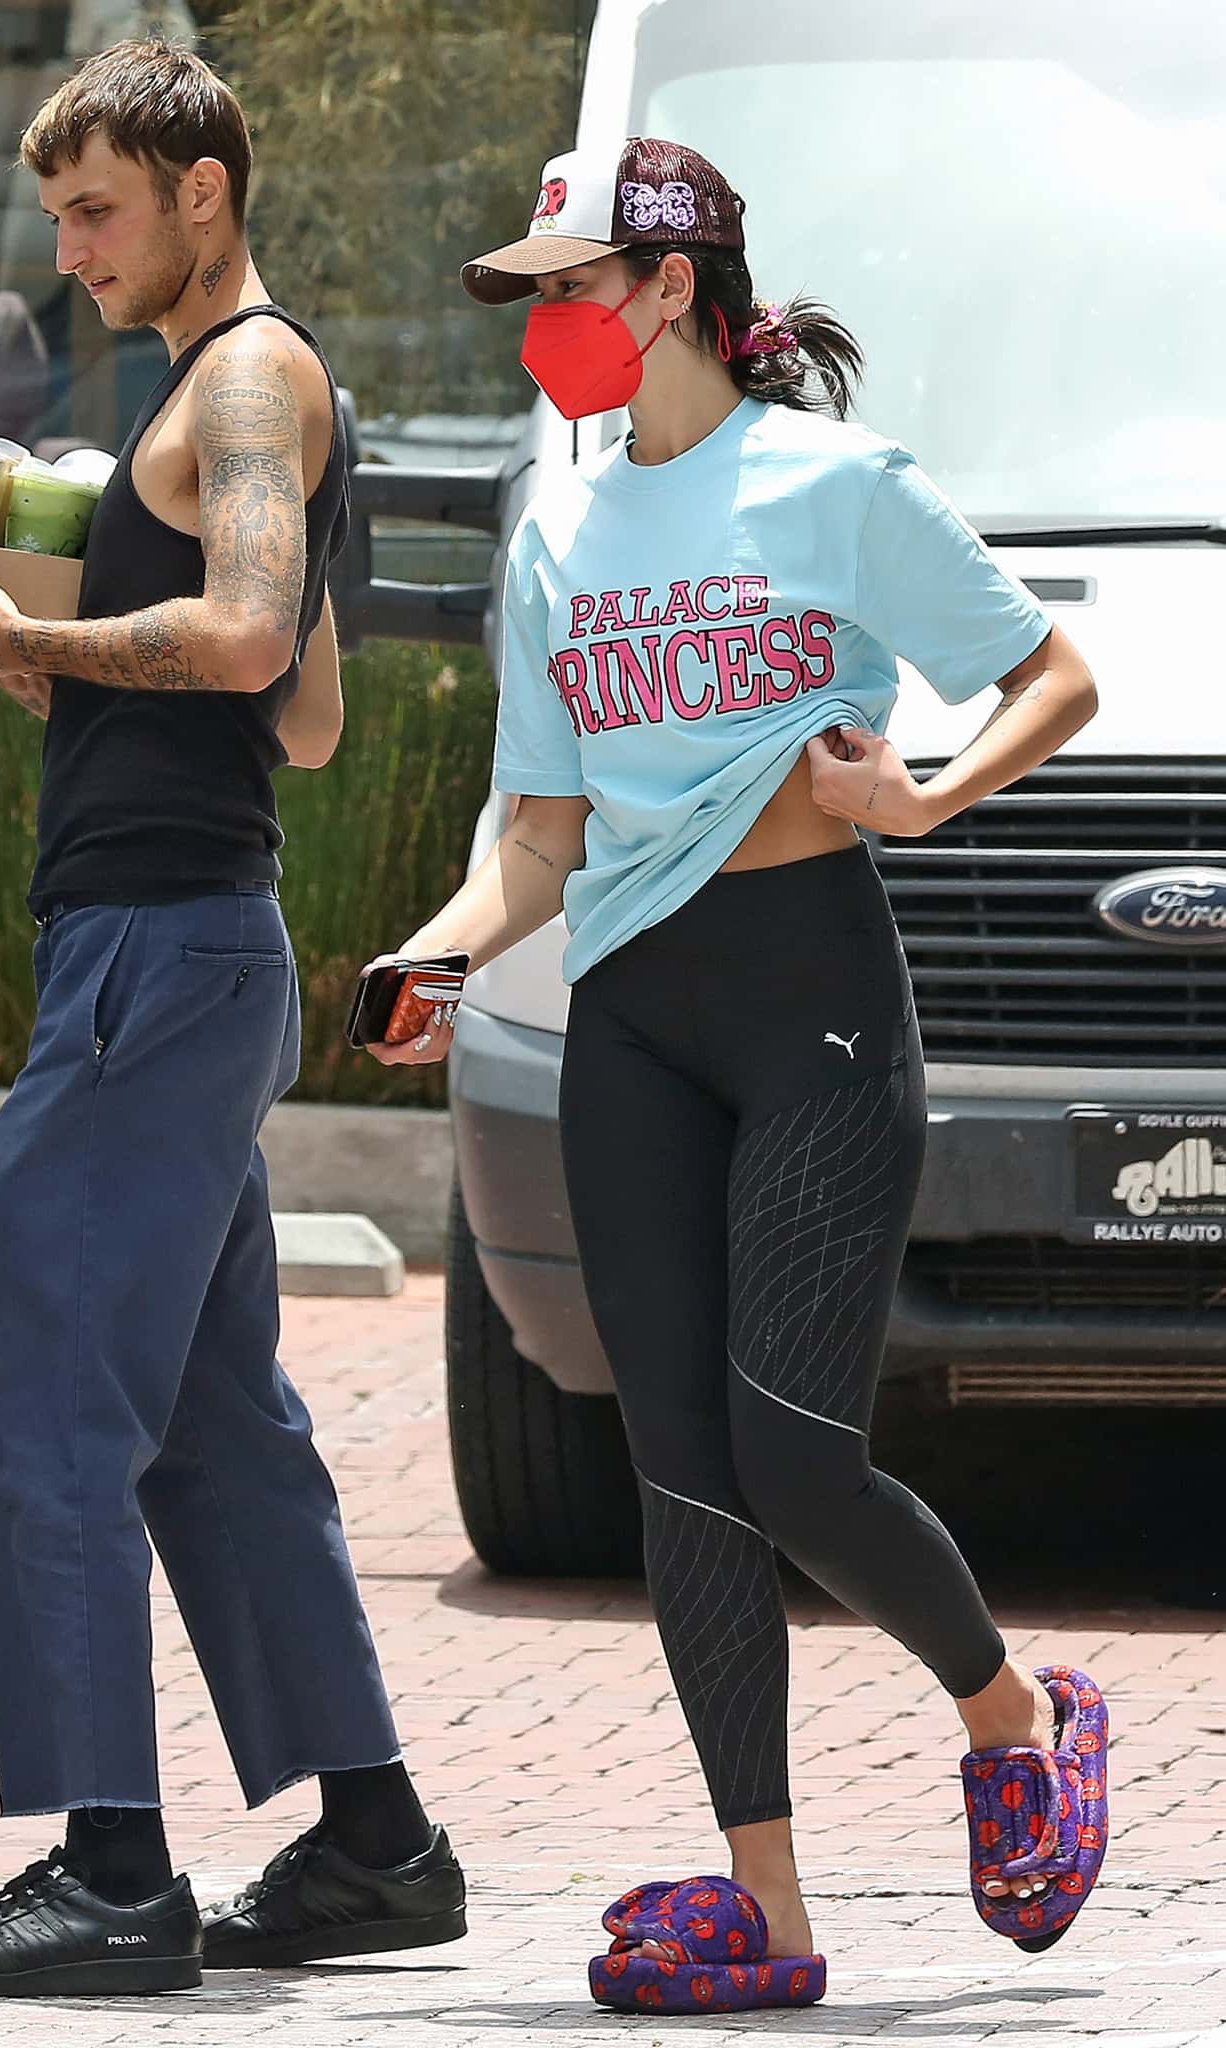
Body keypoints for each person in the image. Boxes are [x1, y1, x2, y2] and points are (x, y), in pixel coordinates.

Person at [367, 138, 1107, 2016]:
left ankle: (1019, 1713)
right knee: (681, 1476)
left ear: (673, 287)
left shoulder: (834, 485)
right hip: (629, 1013)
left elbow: (1050, 674)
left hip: (815, 1007)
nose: (549, 326)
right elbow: (539, 832)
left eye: (571, 287)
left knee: (790, 1449)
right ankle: (770, 1916)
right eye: (534, 297)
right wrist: (440, 954)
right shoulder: (558, 531)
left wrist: (922, 796)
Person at [0, 39, 463, 2001]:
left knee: (46, 1400)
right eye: (57, 217)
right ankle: (376, 1843)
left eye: (97, 210)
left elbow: (250, 638)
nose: (73, 250)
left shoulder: (252, 375)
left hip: (152, 968)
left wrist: (46, 633)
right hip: (179, 949)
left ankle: (112, 1873)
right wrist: (68, 687)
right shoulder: (233, 398)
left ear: (203, 191)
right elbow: (298, 722)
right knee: (213, 1428)